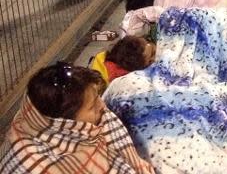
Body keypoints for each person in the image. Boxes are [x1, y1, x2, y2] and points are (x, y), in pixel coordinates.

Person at [0, 63, 154, 173]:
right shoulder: (33, 164)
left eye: (98, 97)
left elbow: (132, 161)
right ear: (66, 124)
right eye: (92, 106)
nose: (102, 105)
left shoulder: (98, 119)